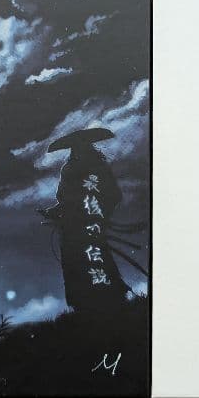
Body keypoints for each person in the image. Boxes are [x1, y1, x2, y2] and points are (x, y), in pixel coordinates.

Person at [40, 127, 130, 312]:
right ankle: (83, 307)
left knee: (96, 260)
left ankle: (111, 302)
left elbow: (113, 195)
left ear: (87, 145)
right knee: (74, 264)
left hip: (90, 226)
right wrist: (53, 211)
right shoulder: (68, 169)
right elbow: (65, 200)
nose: (78, 148)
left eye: (81, 144)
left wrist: (100, 215)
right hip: (70, 228)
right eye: (76, 146)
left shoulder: (97, 167)